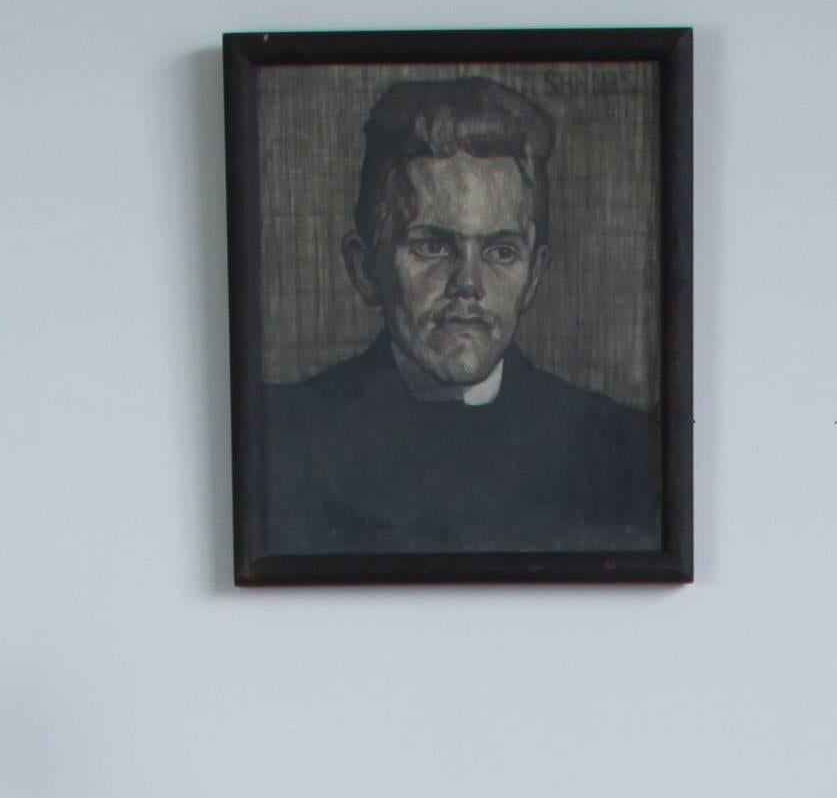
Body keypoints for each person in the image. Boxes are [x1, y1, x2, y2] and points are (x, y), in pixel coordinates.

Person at [260, 76, 659, 555]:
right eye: (433, 246)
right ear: (365, 268)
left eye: (500, 251)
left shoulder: (623, 452)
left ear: (533, 276)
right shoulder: (281, 440)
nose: (468, 282)